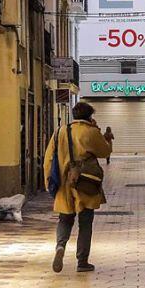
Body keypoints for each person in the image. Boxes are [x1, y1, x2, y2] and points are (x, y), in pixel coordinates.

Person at [43, 101, 113, 274]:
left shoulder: (59, 131)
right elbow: (105, 152)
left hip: (64, 184)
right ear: (89, 116)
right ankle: (82, 261)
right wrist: (100, 133)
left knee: (65, 219)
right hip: (85, 182)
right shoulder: (90, 132)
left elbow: (48, 159)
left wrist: (49, 183)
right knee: (85, 221)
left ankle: (60, 247)